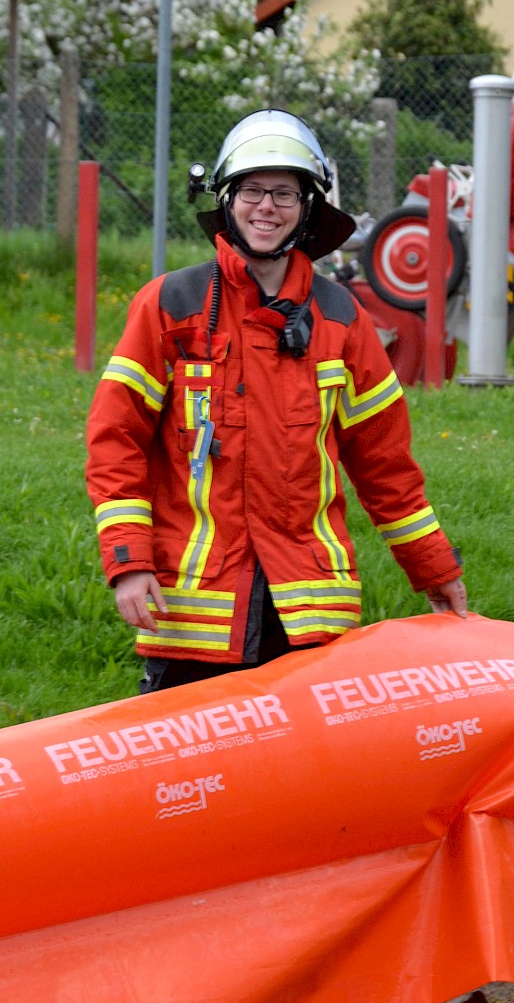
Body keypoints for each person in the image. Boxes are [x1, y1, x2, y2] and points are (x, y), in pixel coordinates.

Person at [86, 109, 467, 692]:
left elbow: (385, 464)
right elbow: (116, 441)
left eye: (285, 193)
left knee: (302, 783)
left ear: (309, 207)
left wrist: (435, 570)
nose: (267, 207)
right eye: (253, 190)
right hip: (196, 617)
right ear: (227, 199)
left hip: (309, 615)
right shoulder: (170, 304)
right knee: (186, 778)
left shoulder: (342, 319)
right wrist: (128, 563)